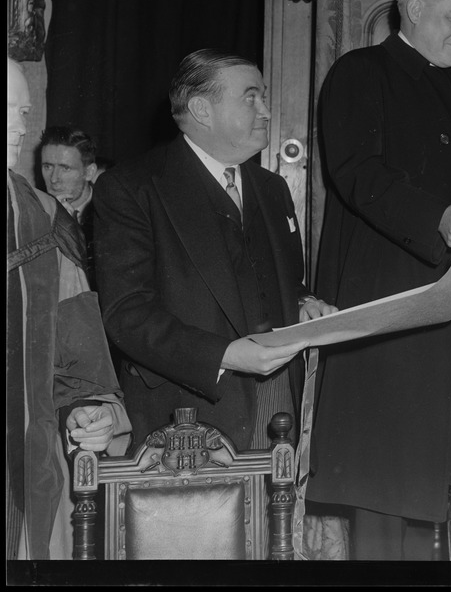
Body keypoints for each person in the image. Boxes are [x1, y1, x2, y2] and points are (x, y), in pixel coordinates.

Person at [307, 0, 451, 560]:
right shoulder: (360, 72)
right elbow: (356, 172)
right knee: (386, 503)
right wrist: (438, 220)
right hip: (392, 317)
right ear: (413, 10)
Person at [93, 49, 331, 451]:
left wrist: (304, 303)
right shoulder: (132, 188)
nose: (267, 111)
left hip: (281, 406)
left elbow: (286, 282)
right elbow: (126, 314)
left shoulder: (273, 189)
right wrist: (224, 355)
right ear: (202, 109)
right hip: (188, 412)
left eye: (264, 97)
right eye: (251, 97)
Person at [7, 58, 131, 560]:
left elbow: (78, 368)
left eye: (22, 111)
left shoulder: (44, 221)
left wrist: (94, 411)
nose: (19, 127)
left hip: (23, 471)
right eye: (7, 110)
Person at [38, 125, 99, 286]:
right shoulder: (34, 209)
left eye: (65, 168)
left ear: (89, 172)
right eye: (48, 166)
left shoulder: (110, 212)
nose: (54, 179)